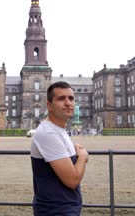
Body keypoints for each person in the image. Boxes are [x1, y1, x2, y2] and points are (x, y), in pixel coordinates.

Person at [30, 81, 89, 215]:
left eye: (71, 98)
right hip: (56, 210)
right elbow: (72, 180)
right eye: (61, 98)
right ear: (49, 105)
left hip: (64, 208)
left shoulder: (58, 130)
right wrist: (83, 157)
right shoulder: (49, 133)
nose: (68, 103)